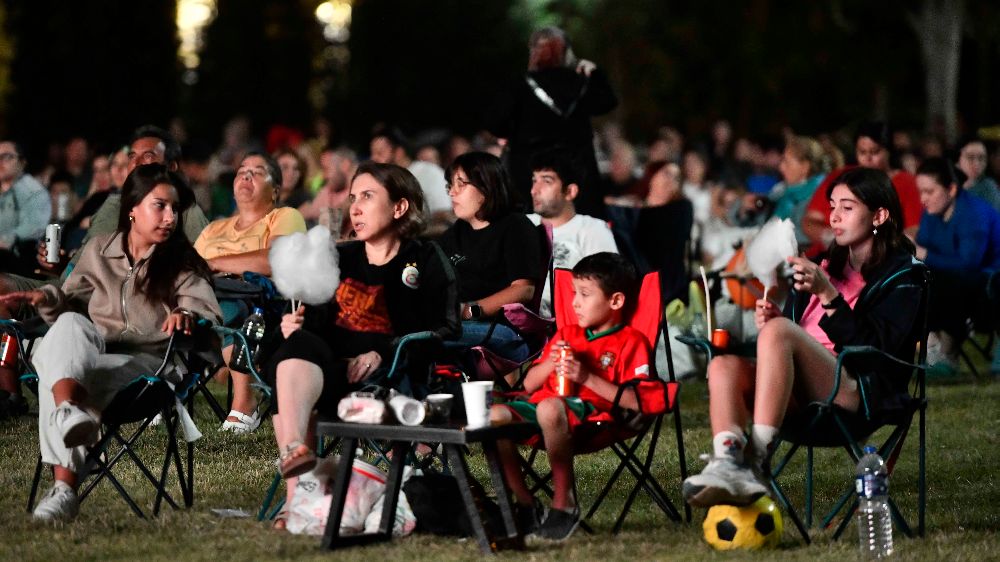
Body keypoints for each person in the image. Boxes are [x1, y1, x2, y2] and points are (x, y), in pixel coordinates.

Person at [682, 167, 923, 508]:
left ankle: (757, 460)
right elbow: (803, 332)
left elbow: (876, 351)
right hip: (798, 388)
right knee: (723, 365)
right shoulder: (826, 262)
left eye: (847, 207)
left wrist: (828, 297)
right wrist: (778, 321)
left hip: (856, 392)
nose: (833, 216)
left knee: (780, 333)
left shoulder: (904, 275)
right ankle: (729, 462)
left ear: (879, 215)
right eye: (832, 205)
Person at [0, 164, 221, 521]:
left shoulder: (181, 261)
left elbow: (204, 310)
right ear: (132, 207)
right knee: (69, 328)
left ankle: (64, 488)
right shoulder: (98, 250)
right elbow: (68, 307)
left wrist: (186, 316)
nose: (170, 217)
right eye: (160, 206)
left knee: (64, 373)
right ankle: (68, 413)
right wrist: (47, 299)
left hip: (149, 364)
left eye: (175, 209)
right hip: (95, 348)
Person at [264, 162, 459, 528]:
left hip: (389, 380)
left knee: (295, 363)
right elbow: (317, 325)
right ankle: (294, 467)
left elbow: (446, 328)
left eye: (367, 197)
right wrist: (294, 325)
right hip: (325, 375)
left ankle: (295, 504)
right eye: (353, 198)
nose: (354, 207)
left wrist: (383, 351)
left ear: (399, 208)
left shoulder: (426, 259)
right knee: (296, 346)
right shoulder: (340, 257)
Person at [490, 252, 649, 541]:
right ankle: (525, 504)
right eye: (574, 293)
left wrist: (585, 377)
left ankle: (565, 503)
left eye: (585, 295)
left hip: (596, 417)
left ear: (615, 301)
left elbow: (637, 401)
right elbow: (528, 384)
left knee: (550, 407)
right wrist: (551, 361)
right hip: (544, 409)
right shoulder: (567, 333)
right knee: (496, 416)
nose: (574, 302)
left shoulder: (631, 342)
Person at [193, 151, 307, 433]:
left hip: (265, 312)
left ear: (276, 190)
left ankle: (245, 400)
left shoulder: (284, 217)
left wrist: (216, 264)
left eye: (257, 172)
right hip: (202, 305)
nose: (246, 175)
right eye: (242, 170)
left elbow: (274, 260)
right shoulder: (213, 229)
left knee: (230, 305)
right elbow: (191, 269)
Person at [485, 26, 618, 218]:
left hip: (529, 176)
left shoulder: (519, 86)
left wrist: (514, 132)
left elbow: (494, 122)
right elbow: (607, 102)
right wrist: (595, 73)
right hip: (577, 177)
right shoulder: (579, 82)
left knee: (532, 233)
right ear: (565, 52)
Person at [437, 152, 544, 364]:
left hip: (503, 330)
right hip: (458, 325)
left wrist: (470, 311)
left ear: (486, 187)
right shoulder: (453, 234)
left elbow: (523, 289)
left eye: (461, 184)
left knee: (423, 340)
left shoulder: (515, 226)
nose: (452, 193)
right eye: (450, 185)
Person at [914, 157, 1000, 371]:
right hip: (954, 281)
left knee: (944, 282)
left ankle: (945, 353)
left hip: (989, 285)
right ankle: (932, 345)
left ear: (951, 189)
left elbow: (968, 265)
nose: (923, 199)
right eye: (921, 192)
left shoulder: (973, 214)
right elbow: (921, 249)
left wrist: (924, 255)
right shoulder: (933, 213)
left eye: (929, 192)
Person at [801, 121, 922, 256]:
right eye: (862, 152)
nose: (867, 158)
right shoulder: (842, 177)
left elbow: (913, 231)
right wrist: (831, 237)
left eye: (875, 152)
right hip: (830, 255)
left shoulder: (907, 182)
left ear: (889, 151)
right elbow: (810, 221)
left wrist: (868, 242)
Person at [527, 149, 618, 317]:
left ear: (570, 191)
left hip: (567, 320)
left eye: (546, 181)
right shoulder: (523, 224)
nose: (534, 190)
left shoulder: (592, 229)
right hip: (516, 314)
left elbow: (608, 286)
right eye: (534, 181)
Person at [369, 128, 453, 233]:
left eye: (379, 153)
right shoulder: (384, 182)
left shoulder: (428, 172)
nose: (374, 159)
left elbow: (444, 216)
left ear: (399, 153)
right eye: (372, 154)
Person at [0, 140, 51, 276]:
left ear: (22, 162)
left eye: (6, 157)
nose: (0, 162)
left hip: (20, 259)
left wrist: (5, 239)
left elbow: (33, 229)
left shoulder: (34, 191)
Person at [956, 137, 1000, 213]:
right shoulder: (946, 186)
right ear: (957, 160)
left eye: (981, 158)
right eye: (970, 157)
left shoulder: (988, 188)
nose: (976, 164)